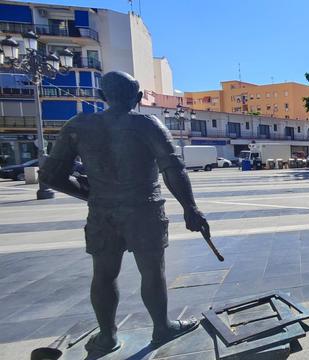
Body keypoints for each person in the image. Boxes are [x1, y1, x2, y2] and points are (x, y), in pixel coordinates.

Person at [40, 71, 208, 354]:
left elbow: (51, 176)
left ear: (102, 97)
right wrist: (190, 208)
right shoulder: (147, 125)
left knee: (104, 274)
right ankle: (161, 327)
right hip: (145, 209)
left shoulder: (77, 125)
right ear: (138, 97)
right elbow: (173, 168)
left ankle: (108, 336)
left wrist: (91, 194)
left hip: (102, 212)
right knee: (152, 272)